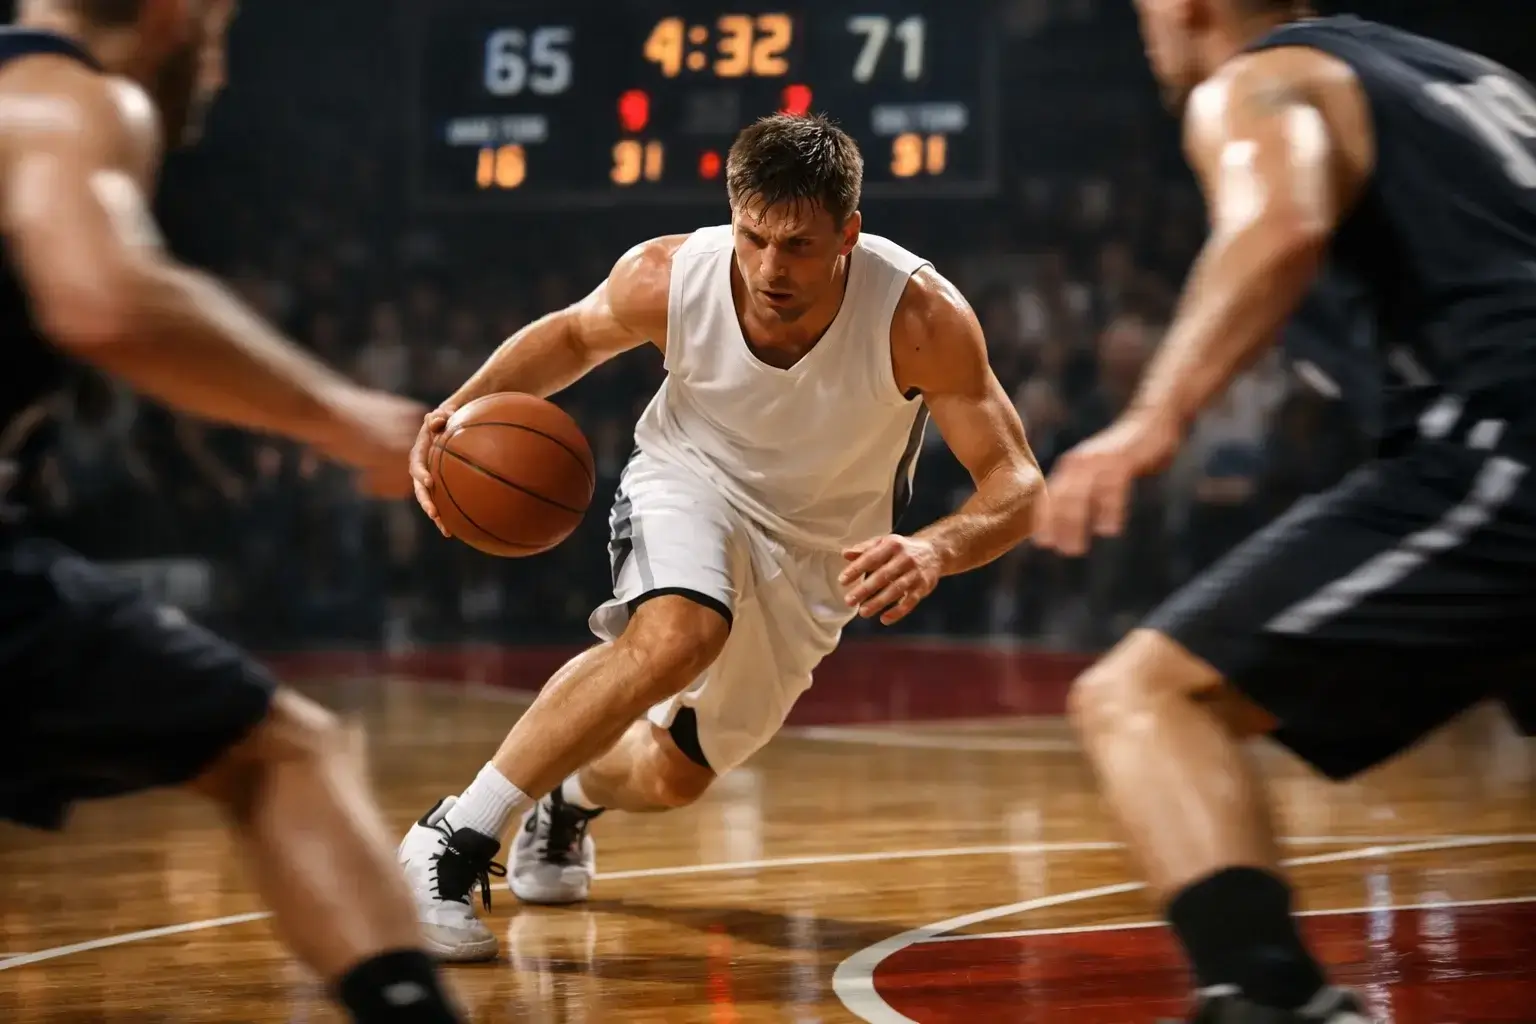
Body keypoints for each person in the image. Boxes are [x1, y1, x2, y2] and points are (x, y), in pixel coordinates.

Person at [400, 113, 1044, 961]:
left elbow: (1018, 483)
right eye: (754, 237)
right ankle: (450, 840)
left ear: (849, 232)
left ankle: (570, 797)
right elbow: (570, 335)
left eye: (800, 246)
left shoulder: (919, 316)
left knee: (674, 777)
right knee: (680, 634)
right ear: (732, 215)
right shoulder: (666, 275)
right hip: (690, 476)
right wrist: (456, 412)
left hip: (819, 554)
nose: (772, 267)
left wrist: (934, 547)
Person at [1035, 2, 1536, 1022]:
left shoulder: (1260, 82)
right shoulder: (1467, 78)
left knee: (1145, 699)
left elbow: (1282, 220)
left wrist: (1152, 416)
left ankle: (1269, 997)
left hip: (1504, 442)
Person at [0, 2, 465, 1020]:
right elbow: (102, 295)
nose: (217, 71)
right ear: (176, 15)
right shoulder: (64, 97)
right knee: (282, 754)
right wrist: (335, 414)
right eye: (220, 33)